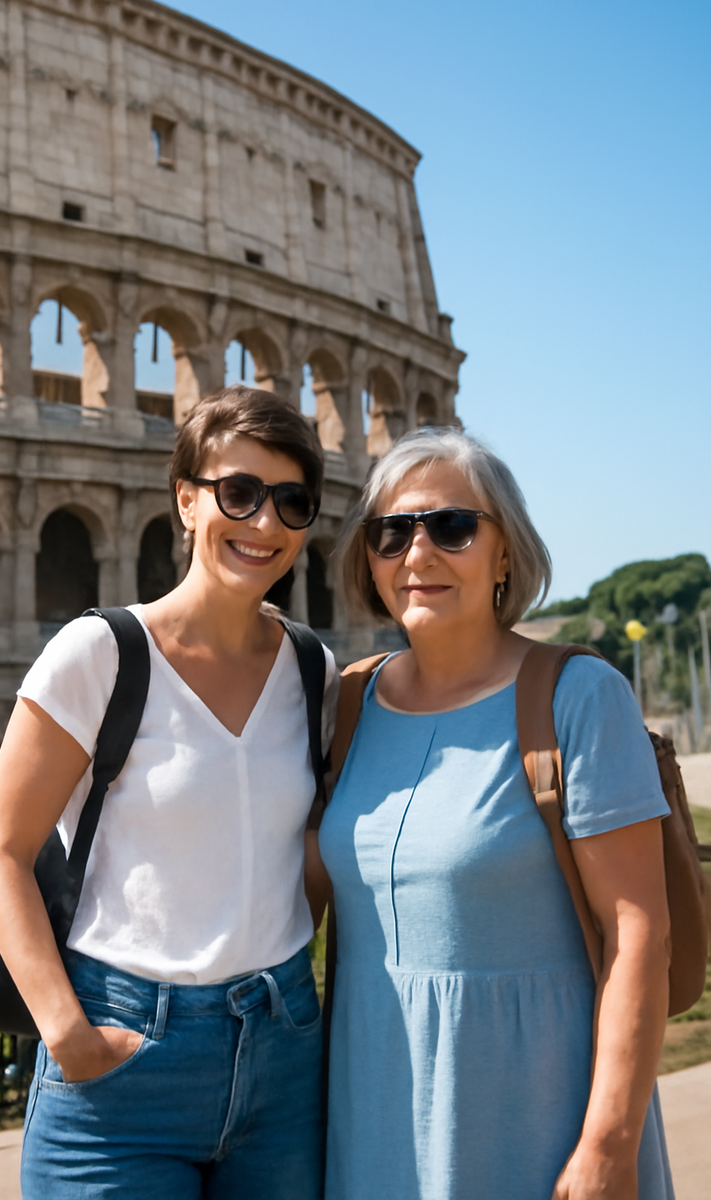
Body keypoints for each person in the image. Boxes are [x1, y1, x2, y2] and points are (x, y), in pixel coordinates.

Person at [0, 386, 338, 1200]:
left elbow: (301, 843)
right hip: (123, 1054)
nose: (265, 522)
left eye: (291, 502)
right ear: (187, 501)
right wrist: (68, 1034)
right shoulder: (99, 653)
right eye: (238, 492)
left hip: (282, 1049)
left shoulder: (314, 670)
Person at [311, 427, 674, 1200]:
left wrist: (609, 1143)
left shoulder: (579, 695)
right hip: (372, 1111)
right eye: (391, 533)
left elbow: (639, 933)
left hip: (538, 1114)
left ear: (505, 552)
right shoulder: (347, 703)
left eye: (451, 526)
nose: (418, 553)